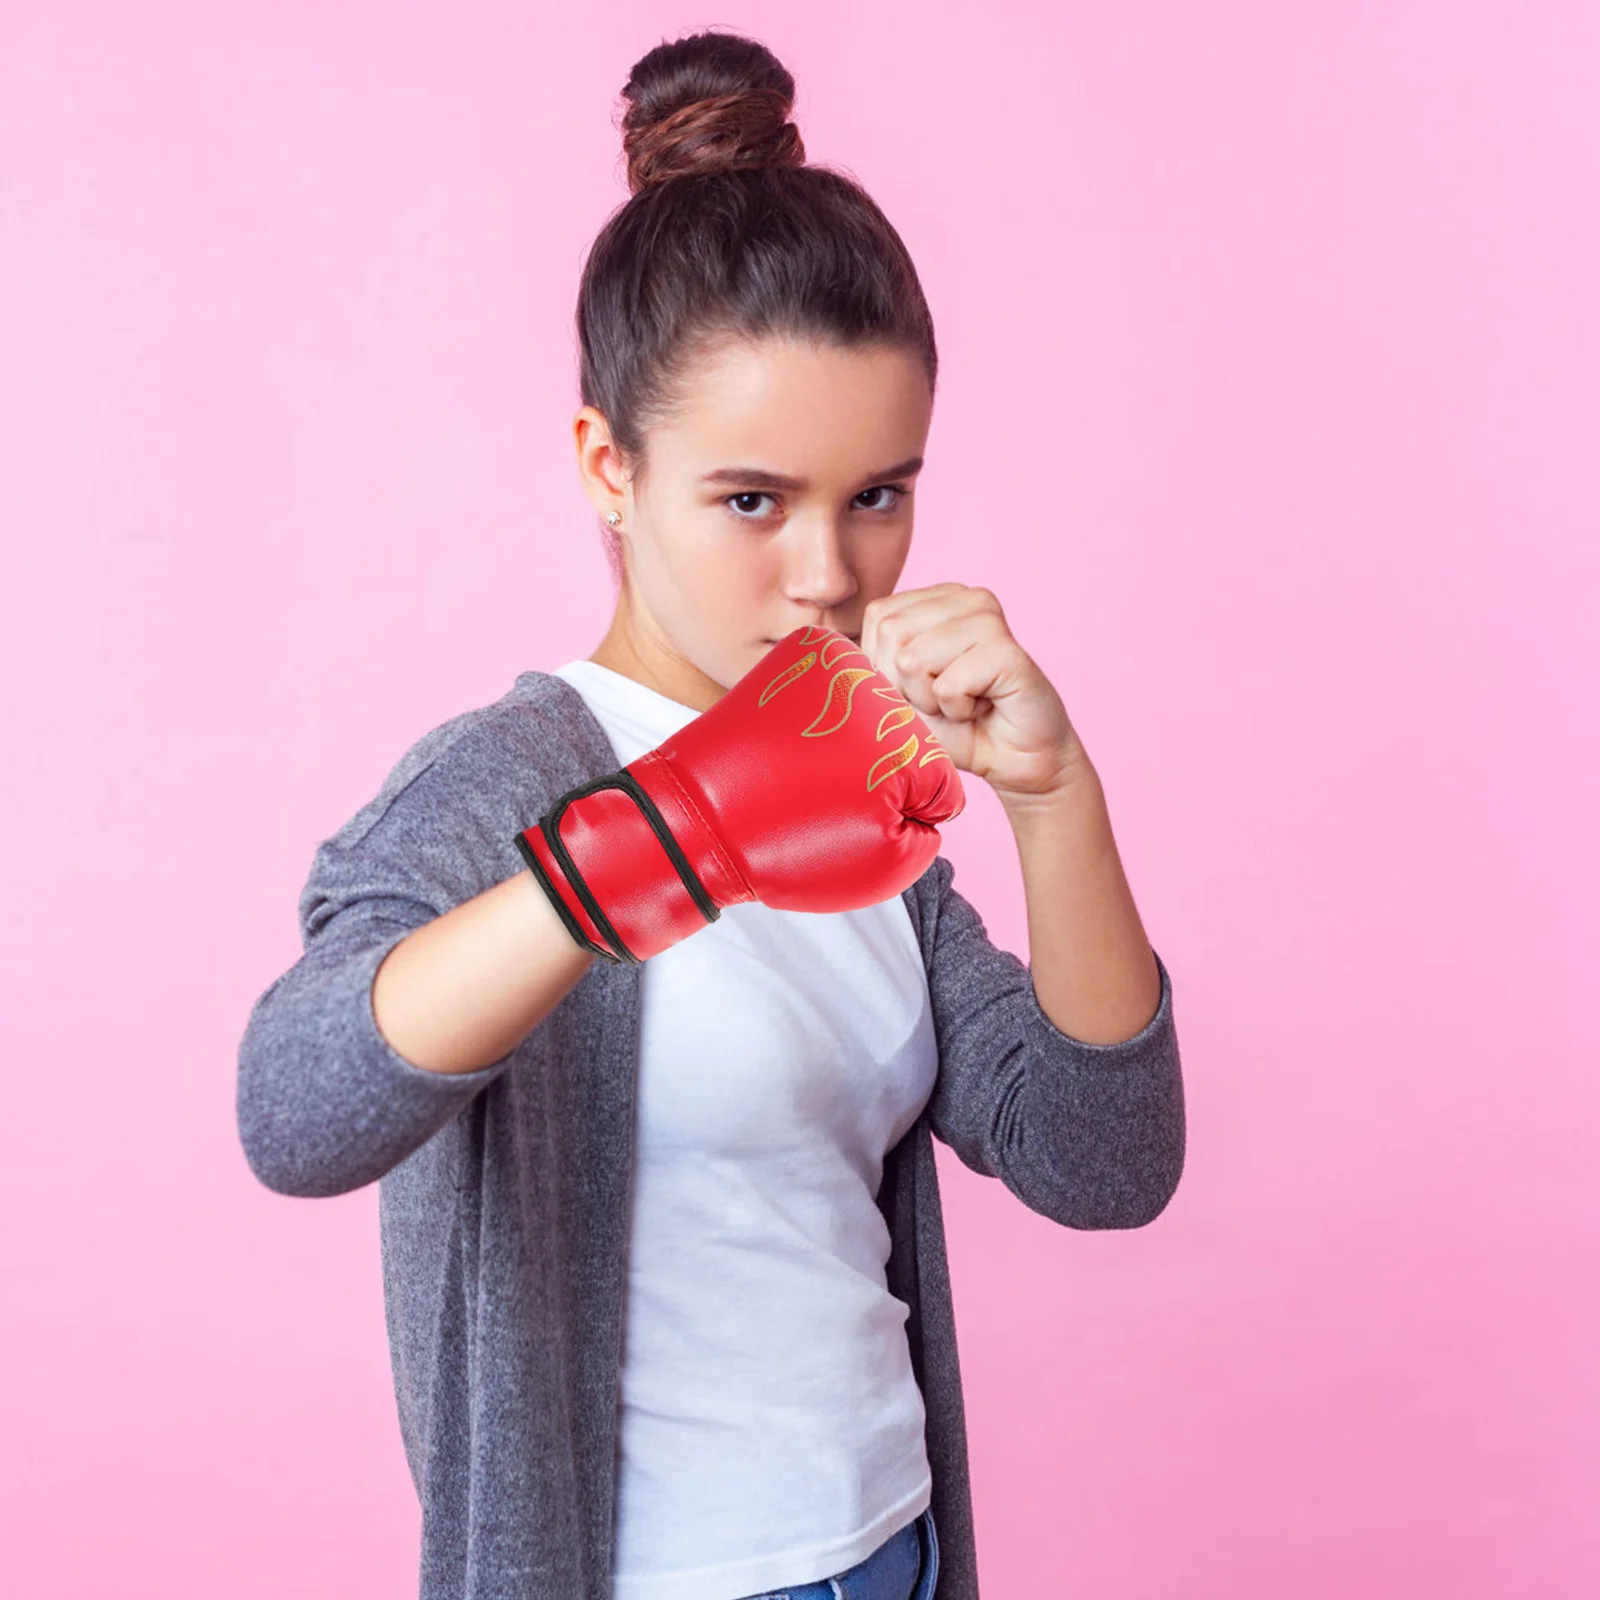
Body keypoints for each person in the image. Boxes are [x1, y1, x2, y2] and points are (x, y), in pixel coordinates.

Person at [236, 27, 1185, 1600]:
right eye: (753, 499)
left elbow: (1104, 1158)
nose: (828, 573)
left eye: (877, 493)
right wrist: (656, 839)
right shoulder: (498, 782)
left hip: (894, 1551)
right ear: (611, 466)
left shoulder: (867, 782)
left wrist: (1054, 800)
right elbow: (295, 1110)